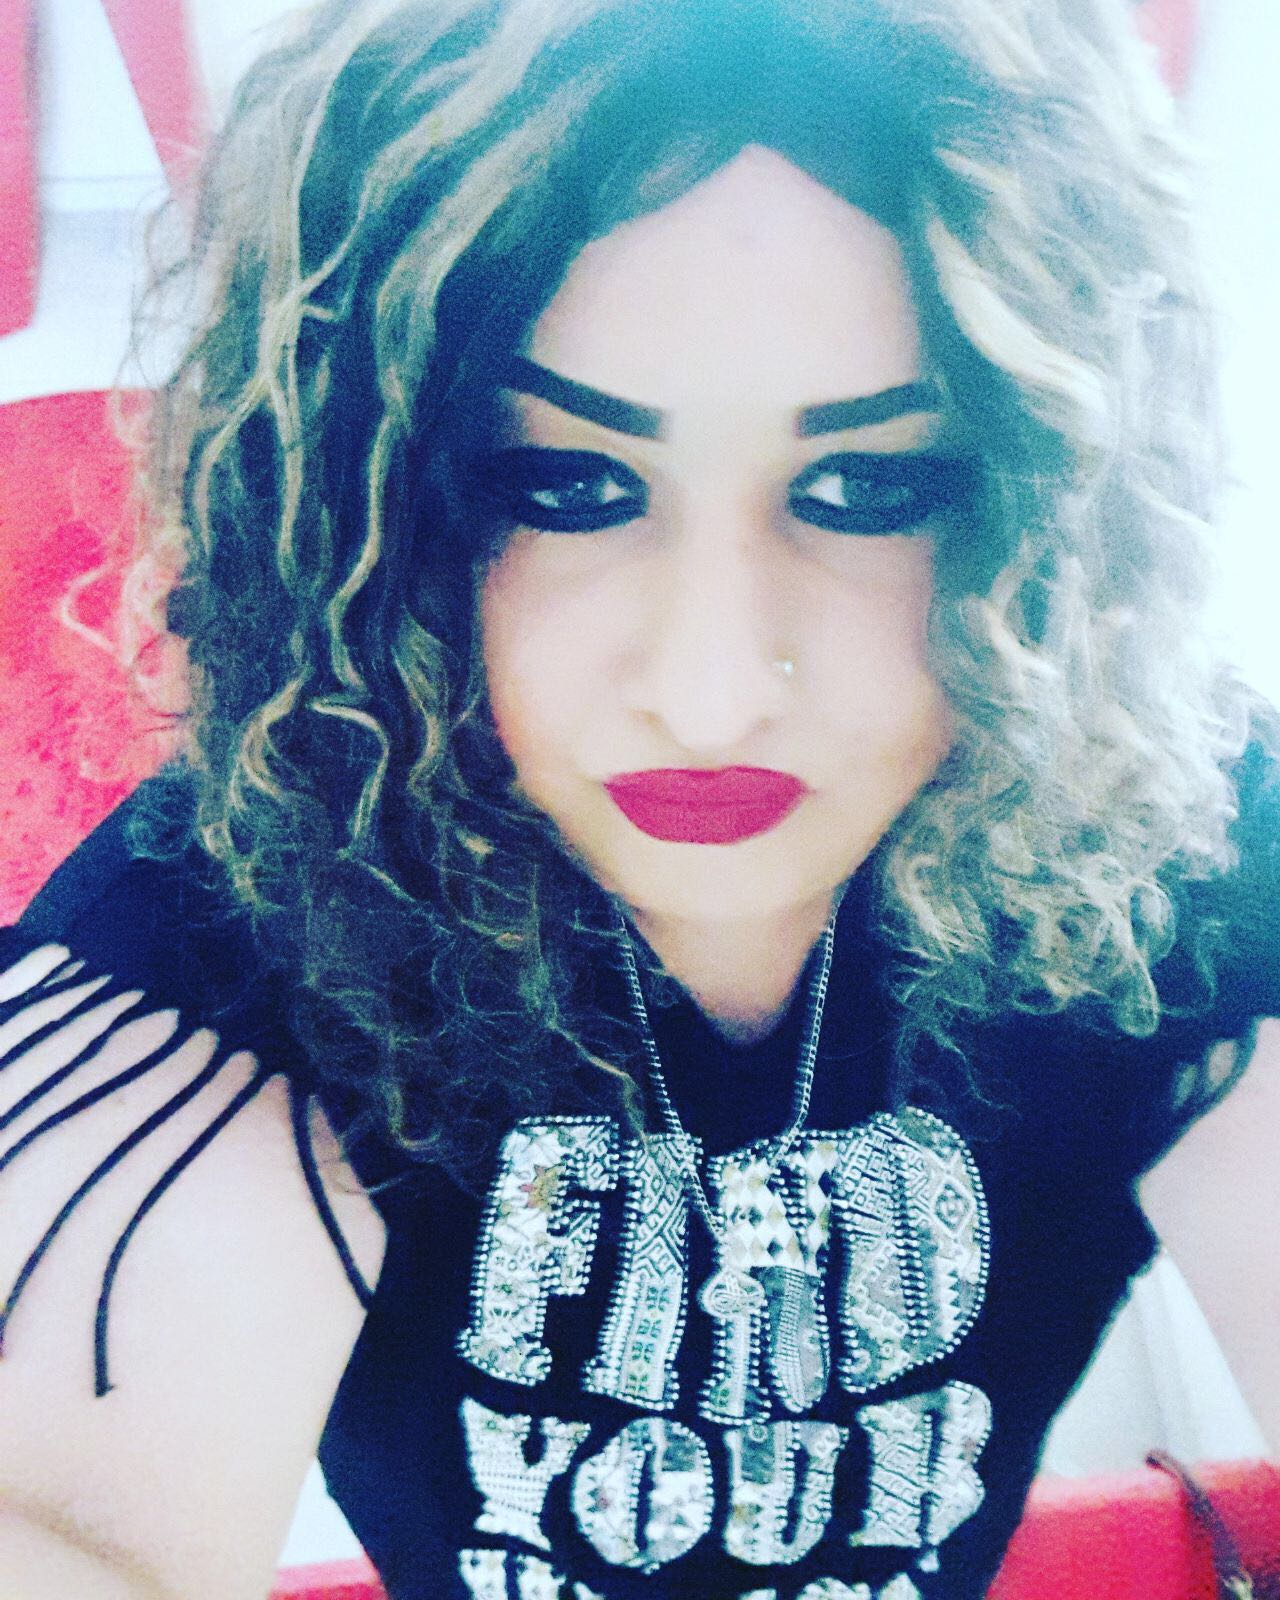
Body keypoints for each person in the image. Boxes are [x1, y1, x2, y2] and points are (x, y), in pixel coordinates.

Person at [1, 1, 1277, 1597]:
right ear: (363, 503)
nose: (714, 689)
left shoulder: (1166, 839)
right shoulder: (236, 906)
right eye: (562, 486)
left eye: (871, 488)